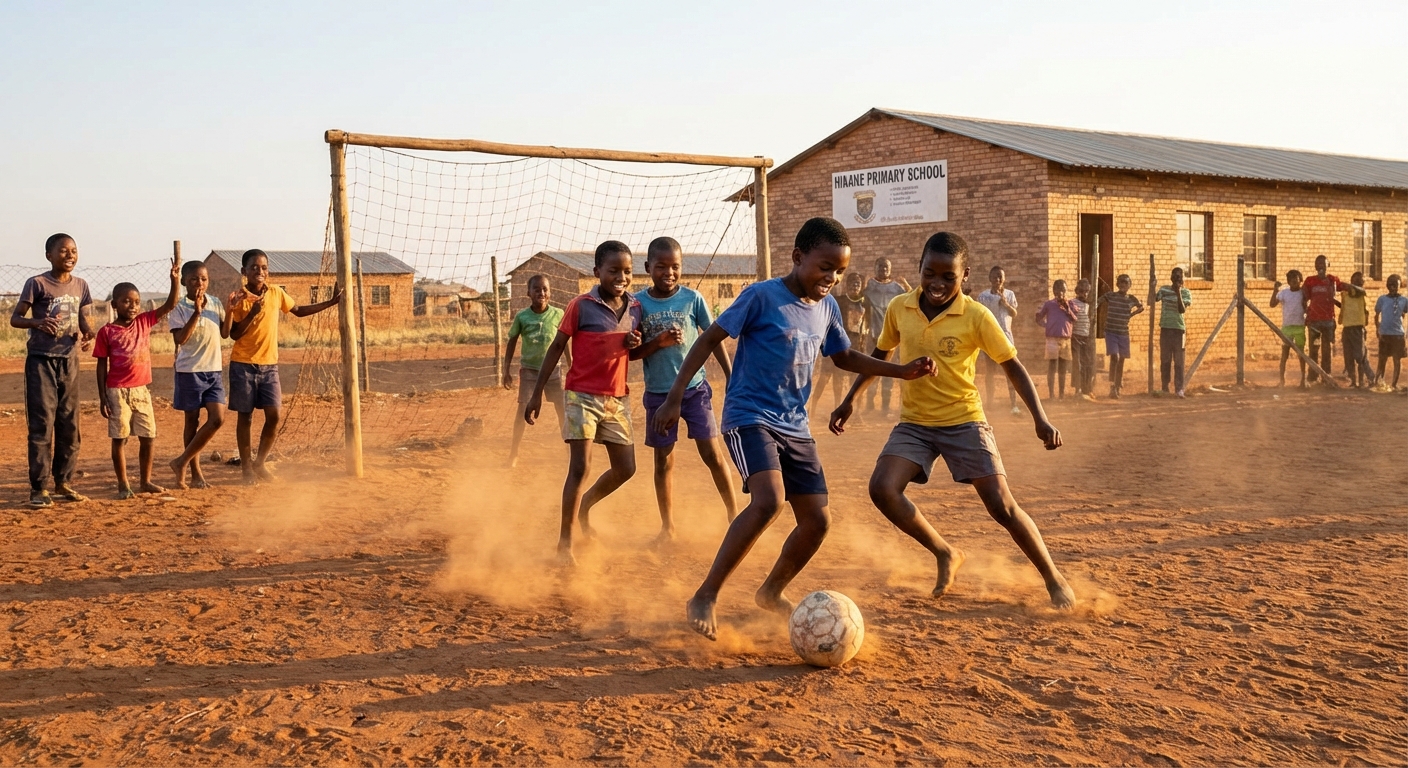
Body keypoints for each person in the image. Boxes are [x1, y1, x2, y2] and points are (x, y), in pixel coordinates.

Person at [650, 217, 936, 641]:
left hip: (796, 426)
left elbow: (843, 357)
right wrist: (675, 396)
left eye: (838, 271)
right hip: (749, 416)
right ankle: (706, 595)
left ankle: (771, 592)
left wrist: (900, 371)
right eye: (824, 267)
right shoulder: (761, 296)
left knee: (818, 521)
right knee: (769, 501)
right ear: (798, 257)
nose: (832, 278)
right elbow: (709, 339)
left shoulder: (828, 308)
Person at [829, 232, 1074, 608]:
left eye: (949, 276)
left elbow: (1013, 367)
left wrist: (1040, 419)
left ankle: (1054, 578)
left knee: (1001, 506)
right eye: (930, 273)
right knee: (882, 488)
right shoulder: (899, 307)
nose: (937, 284)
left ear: (965, 275)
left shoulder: (976, 315)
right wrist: (849, 401)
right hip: (915, 422)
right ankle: (945, 551)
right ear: (920, 269)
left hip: (964, 420)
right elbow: (879, 355)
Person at [525, 240, 652, 564]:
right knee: (580, 467)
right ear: (597, 272)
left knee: (626, 468)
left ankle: (586, 504)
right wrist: (537, 392)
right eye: (613, 271)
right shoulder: (580, 306)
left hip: (617, 398)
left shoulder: (635, 308)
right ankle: (564, 543)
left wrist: (640, 343)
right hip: (581, 395)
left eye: (627, 271)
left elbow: (631, 352)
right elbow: (556, 347)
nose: (621, 277)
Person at [637, 237, 738, 544]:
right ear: (648, 268)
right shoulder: (637, 303)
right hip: (658, 394)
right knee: (663, 461)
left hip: (695, 390)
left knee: (712, 453)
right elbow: (631, 351)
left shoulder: (693, 299)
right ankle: (668, 527)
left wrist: (731, 375)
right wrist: (655, 342)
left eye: (675, 266)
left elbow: (713, 338)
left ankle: (735, 517)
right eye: (661, 266)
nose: (669, 272)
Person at [223, 249, 342, 484]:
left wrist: (330, 302)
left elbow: (297, 311)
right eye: (254, 267)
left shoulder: (276, 293)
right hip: (243, 365)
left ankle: (260, 462)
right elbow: (233, 334)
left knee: (274, 415)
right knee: (245, 418)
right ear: (244, 271)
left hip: (269, 366)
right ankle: (246, 467)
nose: (260, 271)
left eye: (264, 267)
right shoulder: (238, 298)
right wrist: (253, 312)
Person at [12, 233, 95, 507]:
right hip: (41, 361)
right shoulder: (36, 284)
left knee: (69, 424)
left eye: (73, 250)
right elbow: (16, 318)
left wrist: (87, 333)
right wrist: (37, 323)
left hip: (68, 360)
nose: (70, 255)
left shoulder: (81, 286)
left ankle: (63, 482)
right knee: (41, 425)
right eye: (63, 251)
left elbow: (83, 317)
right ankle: (39, 488)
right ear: (49, 255)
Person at [95, 256, 181, 499]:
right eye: (126, 302)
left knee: (148, 436)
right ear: (115, 305)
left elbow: (170, 304)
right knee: (120, 437)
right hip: (116, 391)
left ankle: (145, 481)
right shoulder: (107, 332)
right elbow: (101, 365)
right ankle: (123, 484)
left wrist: (174, 281)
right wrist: (102, 396)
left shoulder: (144, 321)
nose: (132, 306)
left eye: (136, 302)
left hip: (141, 390)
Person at [167, 260, 228, 488]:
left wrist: (230, 311)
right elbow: (180, 339)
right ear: (184, 282)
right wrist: (197, 313)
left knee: (217, 419)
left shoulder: (215, 303)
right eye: (193, 279)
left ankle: (181, 461)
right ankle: (195, 471)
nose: (199, 284)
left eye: (203, 279)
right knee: (191, 421)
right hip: (189, 371)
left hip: (213, 370)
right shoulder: (179, 306)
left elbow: (225, 333)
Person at [503, 274, 568, 468]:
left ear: (550, 292)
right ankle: (514, 453)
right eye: (537, 289)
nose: (541, 292)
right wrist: (506, 370)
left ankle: (569, 451)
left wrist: (571, 363)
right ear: (528, 293)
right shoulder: (522, 317)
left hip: (553, 371)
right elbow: (512, 342)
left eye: (545, 289)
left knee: (562, 411)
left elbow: (563, 341)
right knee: (522, 411)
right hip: (530, 371)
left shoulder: (558, 314)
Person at [811, 270, 869, 413]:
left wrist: (862, 342)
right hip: (835, 344)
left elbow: (866, 324)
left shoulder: (864, 302)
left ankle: (855, 412)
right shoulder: (838, 301)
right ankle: (813, 408)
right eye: (852, 283)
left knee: (854, 379)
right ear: (846, 286)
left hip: (855, 345)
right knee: (826, 378)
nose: (855, 286)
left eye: (858, 284)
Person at [862, 257, 911, 417]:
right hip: (873, 335)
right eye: (880, 266)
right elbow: (858, 297)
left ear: (890, 269)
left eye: (886, 267)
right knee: (872, 368)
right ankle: (869, 404)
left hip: (892, 337)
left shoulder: (896, 288)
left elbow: (912, 298)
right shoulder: (870, 286)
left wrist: (905, 283)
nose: (883, 269)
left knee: (889, 372)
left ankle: (885, 407)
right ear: (875, 268)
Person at [975, 266, 1021, 414]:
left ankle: (1013, 404)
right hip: (989, 339)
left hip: (1006, 338)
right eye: (995, 277)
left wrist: (1005, 303)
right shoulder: (983, 296)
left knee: (1010, 372)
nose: (998, 280)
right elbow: (978, 314)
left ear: (1004, 279)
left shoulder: (1009, 294)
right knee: (990, 372)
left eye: (1000, 277)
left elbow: (1014, 313)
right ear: (990, 279)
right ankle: (990, 404)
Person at [1099, 274, 1143, 399]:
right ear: (1117, 284)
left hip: (1123, 333)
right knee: (1114, 357)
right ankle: (1112, 386)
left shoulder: (1131, 299)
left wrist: (1131, 315)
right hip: (1111, 331)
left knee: (1122, 359)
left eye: (1126, 283)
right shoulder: (1111, 295)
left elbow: (1141, 307)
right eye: (1121, 283)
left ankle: (1117, 385)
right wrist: (1093, 307)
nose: (1123, 286)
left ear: (1130, 286)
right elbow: (1099, 301)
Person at [1152, 267, 1193, 397]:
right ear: (1171, 277)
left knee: (1179, 361)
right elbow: (1152, 300)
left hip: (1179, 330)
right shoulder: (1164, 290)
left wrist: (1178, 292)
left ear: (1183, 279)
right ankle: (1165, 387)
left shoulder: (1186, 293)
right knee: (1165, 360)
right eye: (1174, 276)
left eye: (1179, 277)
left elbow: (1181, 310)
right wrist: (1152, 286)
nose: (1177, 279)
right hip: (1165, 328)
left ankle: (1179, 389)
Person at [1302, 255, 1341, 385]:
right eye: (1318, 264)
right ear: (1315, 266)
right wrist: (1305, 312)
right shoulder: (1310, 281)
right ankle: (1313, 376)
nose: (1320, 266)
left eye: (1323, 264)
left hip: (1328, 321)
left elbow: (1342, 288)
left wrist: (1355, 288)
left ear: (1328, 265)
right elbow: (1304, 297)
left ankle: (1326, 376)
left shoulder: (1332, 280)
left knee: (1326, 349)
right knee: (1314, 348)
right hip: (1314, 321)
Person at [1035, 280, 1075, 400]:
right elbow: (1038, 317)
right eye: (1058, 290)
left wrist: (1067, 308)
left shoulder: (1070, 304)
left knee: (1063, 368)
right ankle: (1051, 394)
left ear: (1066, 291)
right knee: (1052, 366)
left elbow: (1074, 318)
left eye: (1063, 290)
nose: (1060, 293)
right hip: (1052, 339)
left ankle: (1061, 394)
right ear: (1054, 291)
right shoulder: (1049, 304)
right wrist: (1046, 325)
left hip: (1066, 339)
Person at [1271, 270, 1307, 388]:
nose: (1294, 282)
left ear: (1300, 280)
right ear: (1288, 282)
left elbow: (1306, 308)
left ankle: (1303, 380)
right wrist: (1275, 290)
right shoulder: (1284, 293)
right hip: (1287, 327)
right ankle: (1282, 381)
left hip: (1299, 327)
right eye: (1291, 280)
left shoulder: (1303, 293)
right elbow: (1272, 304)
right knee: (1284, 354)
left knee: (1301, 354)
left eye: (1296, 279)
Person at [1339, 271, 1373, 389]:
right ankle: (1354, 381)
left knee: (1360, 356)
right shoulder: (1345, 294)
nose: (1360, 281)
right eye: (1357, 279)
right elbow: (1345, 307)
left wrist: (1343, 283)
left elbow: (1357, 290)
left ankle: (1369, 379)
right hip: (1347, 327)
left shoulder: (1362, 292)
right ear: (1352, 280)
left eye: (1361, 280)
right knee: (1348, 357)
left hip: (1358, 328)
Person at [1374, 274, 1407, 391]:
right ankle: (1378, 381)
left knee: (1397, 359)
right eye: (1391, 284)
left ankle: (1394, 384)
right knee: (1382, 359)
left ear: (1399, 286)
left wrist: (1405, 330)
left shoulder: (1404, 300)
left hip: (1398, 335)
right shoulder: (1382, 299)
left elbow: (1404, 314)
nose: (1393, 287)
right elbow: (1376, 315)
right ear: (1387, 285)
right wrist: (1377, 329)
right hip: (1385, 334)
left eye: (1396, 284)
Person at [1070, 278, 1096, 401]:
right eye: (1081, 291)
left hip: (1086, 337)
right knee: (1077, 364)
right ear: (1077, 291)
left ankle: (1087, 389)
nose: (1084, 293)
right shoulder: (1072, 303)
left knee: (1087, 364)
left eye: (1086, 291)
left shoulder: (1089, 305)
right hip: (1075, 337)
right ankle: (1078, 390)